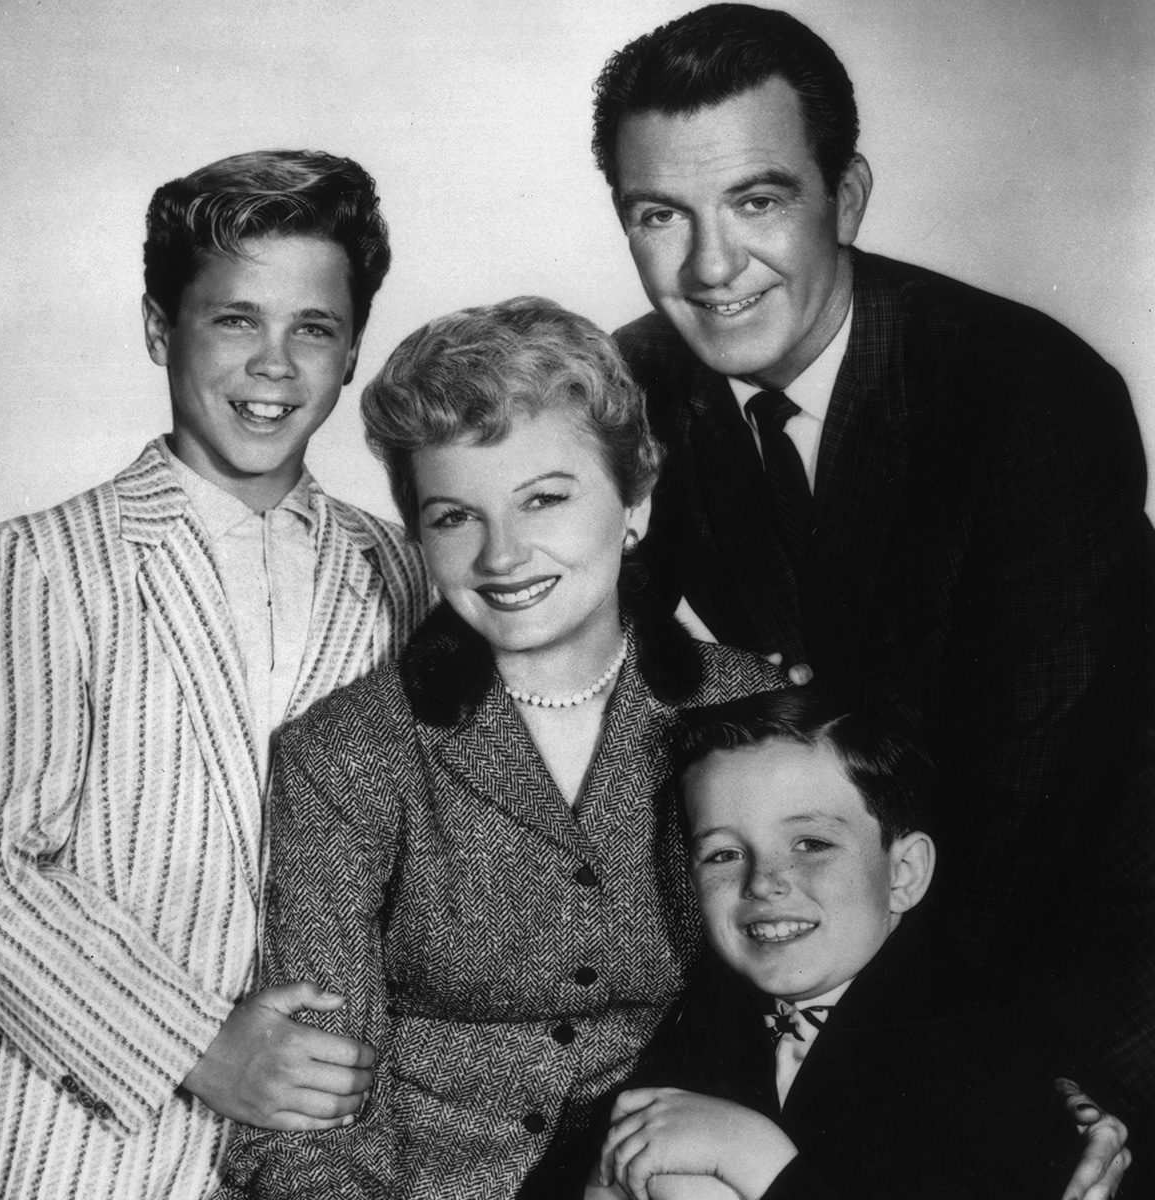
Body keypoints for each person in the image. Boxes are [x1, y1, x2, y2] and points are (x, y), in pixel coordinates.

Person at [591, 2, 1154, 1123]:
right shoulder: (629, 393)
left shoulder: (1026, 392)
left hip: (1093, 925)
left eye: (757, 201)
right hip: (832, 929)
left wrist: (889, 1081)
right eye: (661, 214)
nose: (711, 266)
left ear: (845, 198)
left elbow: (1040, 793)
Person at [216, 297, 785, 1198]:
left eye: (545, 499)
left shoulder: (753, 708)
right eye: (455, 517)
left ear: (635, 501)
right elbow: (310, 1102)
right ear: (417, 531)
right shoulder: (347, 753)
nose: (503, 556)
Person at [0, 150, 430, 1199]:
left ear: (354, 350)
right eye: (235, 320)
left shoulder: (405, 571)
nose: (275, 364)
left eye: (314, 328)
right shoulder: (46, 561)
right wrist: (200, 1046)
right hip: (85, 1152)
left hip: (329, 1148)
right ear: (160, 328)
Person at [592, 688, 1114, 1200]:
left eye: (811, 844)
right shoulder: (710, 1018)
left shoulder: (980, 1049)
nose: (763, 882)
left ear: (904, 873)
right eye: (723, 854)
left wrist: (755, 1159)